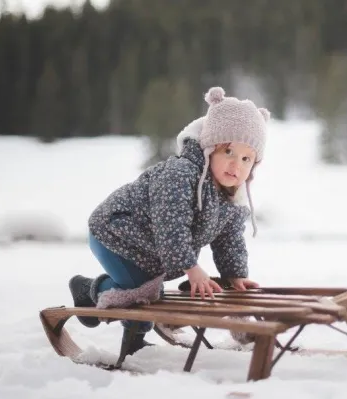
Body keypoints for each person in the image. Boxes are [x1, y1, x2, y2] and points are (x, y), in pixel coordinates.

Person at [68, 86, 270, 355]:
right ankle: (97, 300)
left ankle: (105, 314)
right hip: (115, 232)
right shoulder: (180, 174)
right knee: (142, 292)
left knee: (150, 292)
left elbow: (229, 239)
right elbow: (170, 226)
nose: (236, 166)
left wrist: (235, 275)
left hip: (148, 248)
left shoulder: (231, 197)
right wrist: (191, 266)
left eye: (247, 159)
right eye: (229, 153)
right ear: (210, 148)